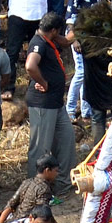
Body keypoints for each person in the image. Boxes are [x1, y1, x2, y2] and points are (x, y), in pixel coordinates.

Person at [24, 12, 76, 199]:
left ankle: (61, 186)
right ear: (53, 30)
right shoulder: (38, 43)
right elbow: (30, 66)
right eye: (58, 31)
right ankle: (34, 192)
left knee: (66, 141)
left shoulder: (48, 38)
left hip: (56, 104)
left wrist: (82, 25)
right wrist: (43, 82)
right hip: (43, 104)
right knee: (40, 149)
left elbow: (66, 41)